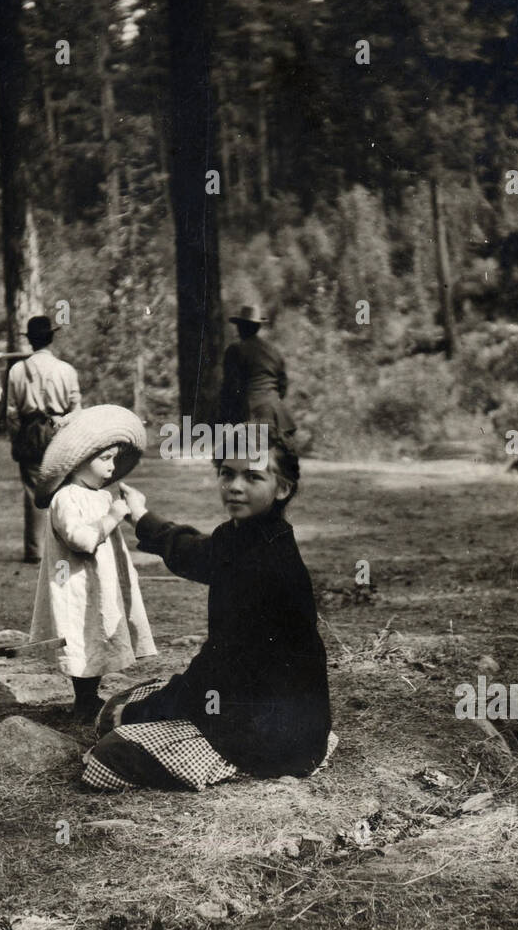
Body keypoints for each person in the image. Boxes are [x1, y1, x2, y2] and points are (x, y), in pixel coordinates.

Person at [81, 433, 334, 791]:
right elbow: (198, 553)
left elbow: (219, 668)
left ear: (282, 489)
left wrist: (141, 714)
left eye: (253, 477)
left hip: (272, 730)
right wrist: (141, 517)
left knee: (110, 751)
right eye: (227, 474)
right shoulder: (248, 534)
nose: (234, 486)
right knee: (126, 703)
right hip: (265, 704)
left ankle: (237, 762)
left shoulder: (265, 563)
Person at [30, 404, 156, 724]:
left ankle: (90, 694)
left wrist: (127, 512)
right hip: (76, 583)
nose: (112, 467)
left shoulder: (99, 495)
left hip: (100, 582)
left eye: (113, 458)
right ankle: (83, 698)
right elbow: (81, 541)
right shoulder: (66, 498)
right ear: (79, 462)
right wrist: (113, 516)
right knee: (82, 633)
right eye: (105, 459)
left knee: (98, 630)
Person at [7, 315, 82, 563]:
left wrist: (16, 440)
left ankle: (34, 550)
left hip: (29, 434)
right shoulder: (66, 370)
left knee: (32, 491)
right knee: (63, 488)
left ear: (30, 341)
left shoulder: (17, 371)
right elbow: (76, 409)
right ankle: (67, 544)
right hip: (59, 433)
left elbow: (12, 413)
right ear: (51, 338)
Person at [219, 304, 295, 444]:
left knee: (225, 458)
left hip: (248, 413)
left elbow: (230, 387)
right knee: (288, 460)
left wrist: (222, 416)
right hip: (278, 416)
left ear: (240, 327)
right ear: (258, 327)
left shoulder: (235, 349)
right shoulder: (274, 351)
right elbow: (282, 387)